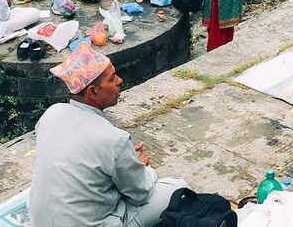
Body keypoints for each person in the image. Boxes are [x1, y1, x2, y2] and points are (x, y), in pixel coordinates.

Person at [27, 41, 187, 226]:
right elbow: (140, 195)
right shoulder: (113, 139)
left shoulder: (51, 114)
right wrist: (141, 167)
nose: (119, 81)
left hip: (39, 222)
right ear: (93, 92)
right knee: (177, 187)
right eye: (112, 79)